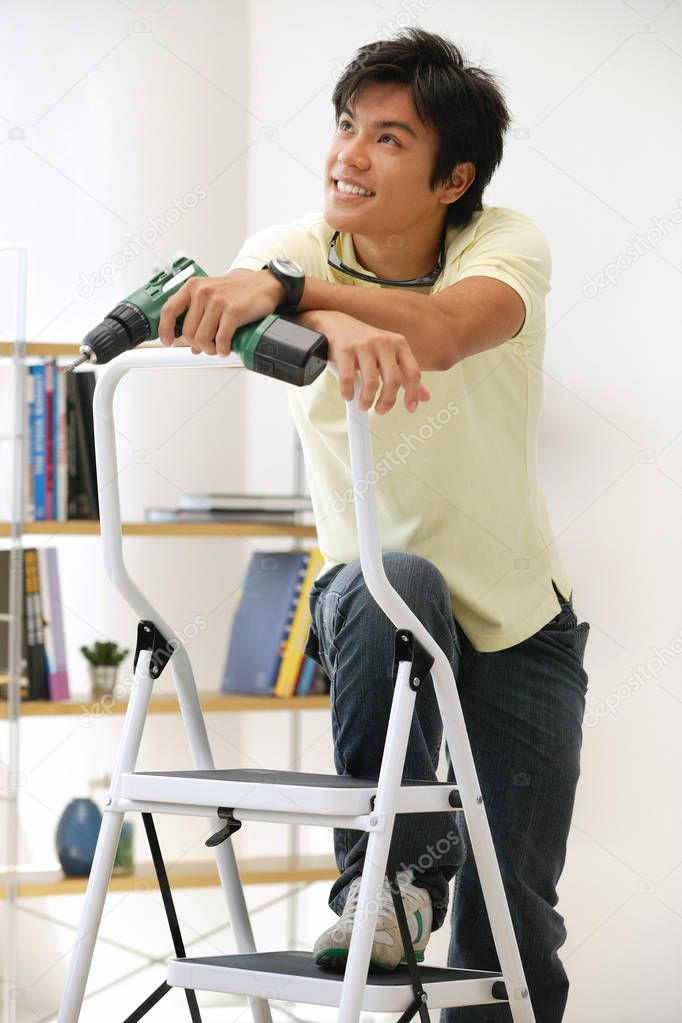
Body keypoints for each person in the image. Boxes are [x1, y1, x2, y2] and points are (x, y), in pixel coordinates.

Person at [158, 27, 591, 1023]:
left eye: (389, 140)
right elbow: (229, 313)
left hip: (522, 623)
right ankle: (380, 886)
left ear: (453, 180)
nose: (348, 155)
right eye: (347, 126)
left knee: (511, 926)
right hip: (377, 603)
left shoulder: (502, 242)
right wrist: (323, 312)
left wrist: (305, 297)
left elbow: (440, 331)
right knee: (392, 575)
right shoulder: (283, 251)